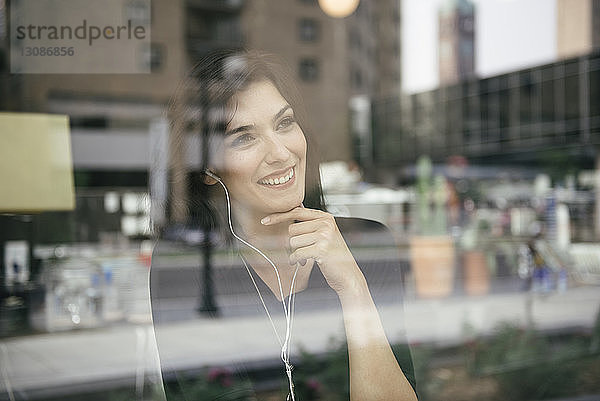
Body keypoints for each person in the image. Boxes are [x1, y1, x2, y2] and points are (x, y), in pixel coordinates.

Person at [150, 50, 417, 401]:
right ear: (209, 168)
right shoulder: (183, 267)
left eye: (285, 123)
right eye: (244, 137)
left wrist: (353, 287)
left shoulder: (369, 242)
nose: (280, 153)